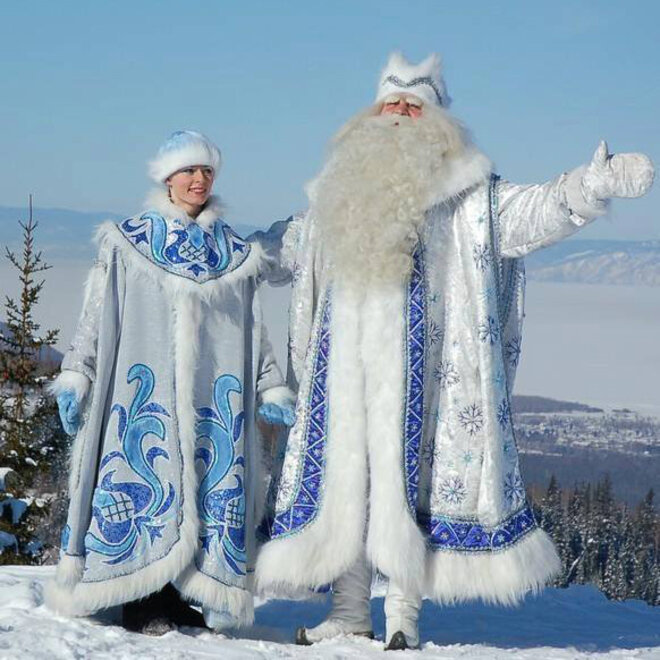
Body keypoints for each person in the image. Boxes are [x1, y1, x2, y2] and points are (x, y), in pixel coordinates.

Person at [255, 53, 655, 649]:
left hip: (431, 379)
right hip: (346, 371)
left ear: (436, 117)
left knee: (412, 484)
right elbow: (277, 249)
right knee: (350, 481)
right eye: (390, 104)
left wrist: (590, 186)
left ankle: (404, 617)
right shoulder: (336, 193)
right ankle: (347, 610)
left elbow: (533, 213)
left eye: (413, 106)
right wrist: (204, 242)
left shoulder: (469, 195)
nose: (398, 114)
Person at [45, 130, 295, 634]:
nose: (198, 180)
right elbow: (97, 314)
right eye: (188, 171)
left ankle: (184, 594)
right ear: (167, 178)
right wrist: (77, 372)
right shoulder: (129, 242)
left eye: (206, 172)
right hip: (143, 392)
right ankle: (141, 597)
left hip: (212, 395)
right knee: (145, 481)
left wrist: (270, 385)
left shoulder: (233, 252)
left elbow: (254, 328)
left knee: (206, 486)